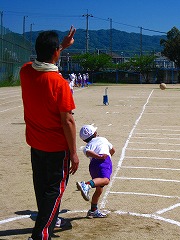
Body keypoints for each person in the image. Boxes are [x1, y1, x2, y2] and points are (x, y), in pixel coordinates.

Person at [20, 26, 79, 240]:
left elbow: (43, 64)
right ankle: (41, 234)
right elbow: (68, 121)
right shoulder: (59, 84)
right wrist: (73, 153)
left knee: (42, 188)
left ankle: (51, 219)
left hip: (36, 144)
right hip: (56, 147)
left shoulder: (25, 72)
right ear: (55, 52)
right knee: (55, 189)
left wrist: (60, 46)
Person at [77, 124, 115, 218]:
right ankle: (86, 185)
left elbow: (88, 152)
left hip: (93, 165)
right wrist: (103, 157)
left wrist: (97, 156)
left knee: (99, 189)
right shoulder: (102, 139)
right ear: (95, 133)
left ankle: (93, 210)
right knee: (106, 180)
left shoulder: (88, 145)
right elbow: (113, 150)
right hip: (103, 162)